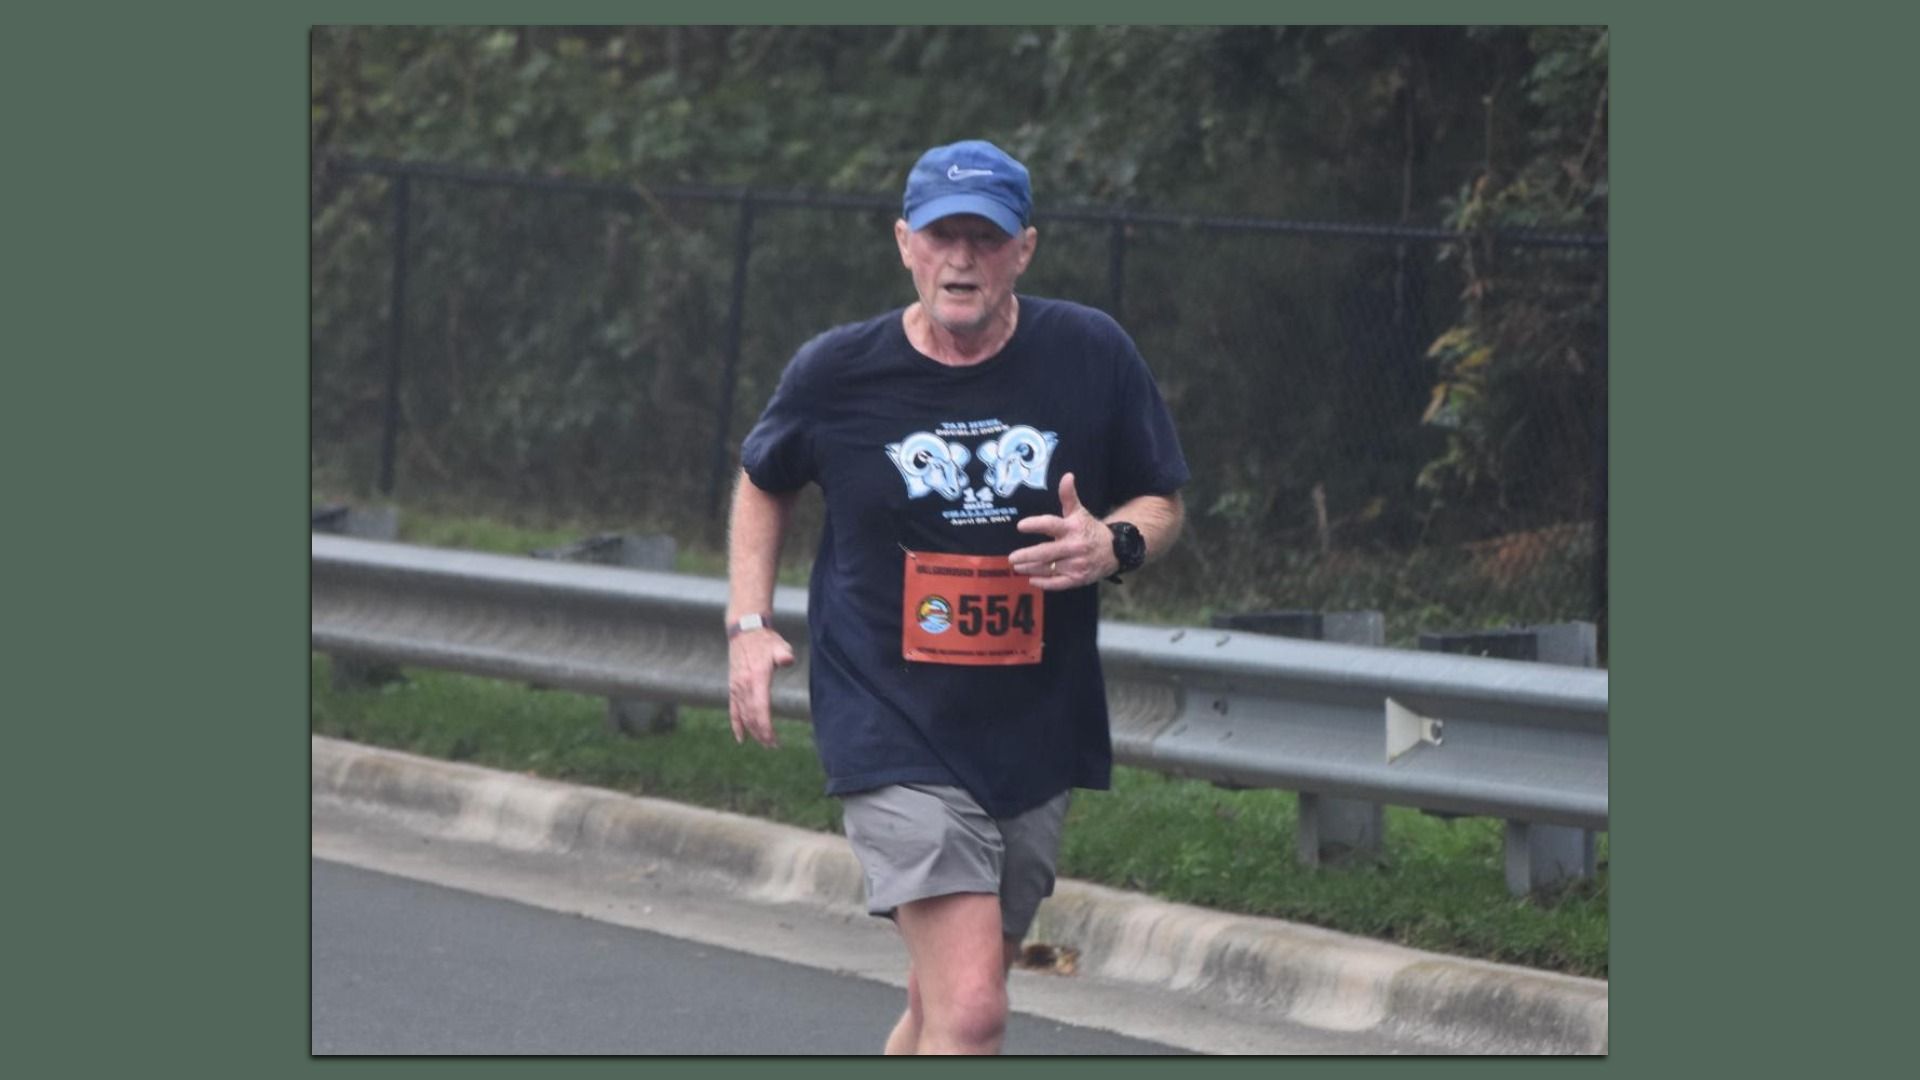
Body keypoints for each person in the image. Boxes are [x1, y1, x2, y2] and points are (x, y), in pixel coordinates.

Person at [725, 139, 1188, 1055]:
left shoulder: (1089, 353)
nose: (962, 258)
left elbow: (1160, 497)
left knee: (947, 1002)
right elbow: (761, 479)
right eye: (943, 235)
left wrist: (1113, 541)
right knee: (976, 1008)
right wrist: (748, 624)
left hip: (1033, 722)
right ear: (906, 243)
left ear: (1025, 250)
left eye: (986, 237)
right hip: (888, 712)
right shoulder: (837, 372)